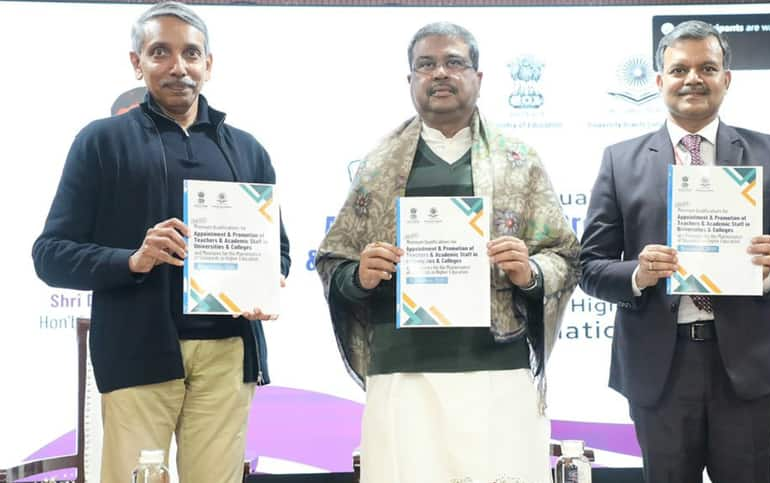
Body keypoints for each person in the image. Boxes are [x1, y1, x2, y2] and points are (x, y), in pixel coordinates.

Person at [31, 2, 290, 482]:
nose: (178, 67)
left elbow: (280, 250)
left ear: (208, 64)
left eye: (191, 54)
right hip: (137, 350)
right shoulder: (101, 143)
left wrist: (268, 280)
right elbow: (50, 255)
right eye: (160, 52)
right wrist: (133, 259)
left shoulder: (248, 150)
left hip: (228, 355)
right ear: (137, 62)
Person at [316, 22, 580, 483]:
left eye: (454, 62)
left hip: (497, 368)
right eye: (426, 64)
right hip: (403, 372)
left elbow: (565, 256)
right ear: (410, 81)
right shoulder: (378, 167)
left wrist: (530, 272)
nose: (440, 73)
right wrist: (361, 275)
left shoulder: (520, 161)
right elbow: (333, 261)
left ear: (479, 77)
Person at [578, 20, 770, 483]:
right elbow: (590, 267)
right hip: (659, 371)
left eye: (707, 67)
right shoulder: (619, 160)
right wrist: (639, 274)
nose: (693, 79)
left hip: (746, 368)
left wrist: (769, 270)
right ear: (658, 81)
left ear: (726, 79)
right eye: (679, 69)